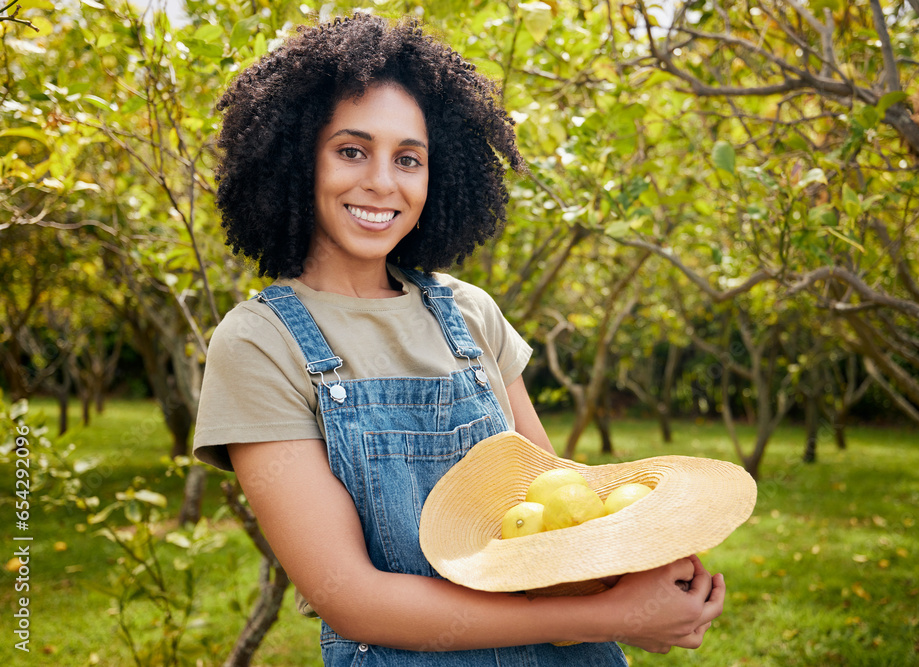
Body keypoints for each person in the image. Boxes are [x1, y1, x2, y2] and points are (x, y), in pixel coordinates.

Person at [193, 14, 725, 665]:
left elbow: (558, 512)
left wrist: (647, 565)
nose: (383, 182)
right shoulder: (260, 344)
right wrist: (605, 614)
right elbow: (352, 597)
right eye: (352, 150)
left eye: (408, 159)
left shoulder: (469, 314)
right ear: (295, 157)